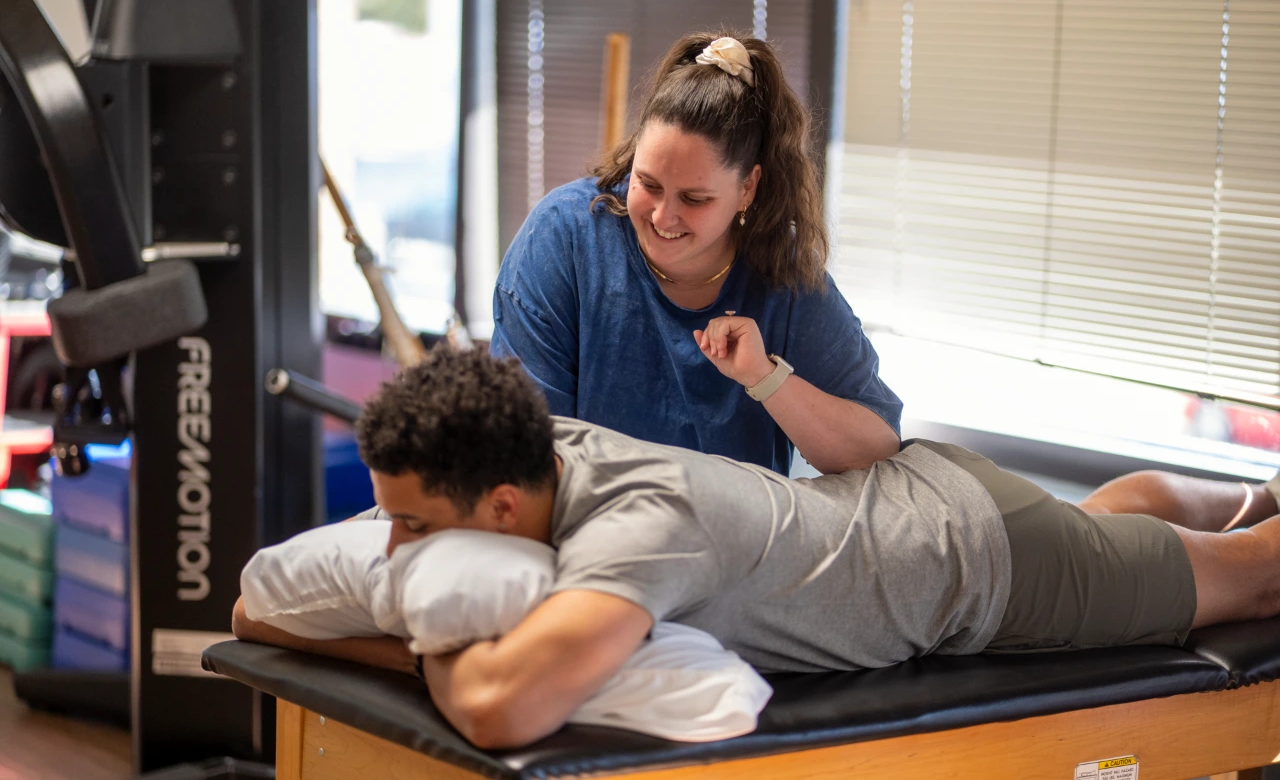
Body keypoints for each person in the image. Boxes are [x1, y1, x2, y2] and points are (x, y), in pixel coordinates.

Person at [232, 348, 1280, 750]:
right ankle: (1245, 489)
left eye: (412, 526)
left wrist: (415, 635)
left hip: (988, 561)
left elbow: (503, 706)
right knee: (1127, 525)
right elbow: (255, 613)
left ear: (502, 507)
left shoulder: (638, 535)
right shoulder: (533, 446)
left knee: (1252, 576)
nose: (395, 547)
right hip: (929, 496)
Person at [489, 32, 901, 475]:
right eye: (647, 184)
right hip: (585, 531)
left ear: (748, 188)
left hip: (737, 538)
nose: (664, 218)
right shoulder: (565, 238)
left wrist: (765, 377)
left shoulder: (782, 272)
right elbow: (519, 453)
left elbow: (877, 450)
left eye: (694, 199)